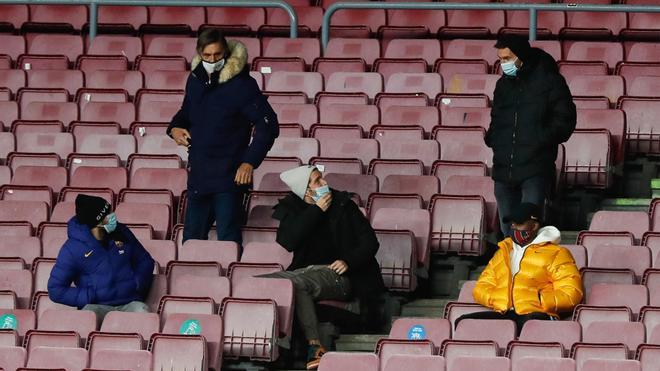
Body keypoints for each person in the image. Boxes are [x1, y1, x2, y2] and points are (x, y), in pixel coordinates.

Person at [265, 165, 385, 370]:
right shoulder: (294, 207)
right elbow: (288, 240)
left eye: (322, 178)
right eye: (317, 181)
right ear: (306, 191)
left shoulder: (342, 203)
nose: (324, 183)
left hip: (343, 275)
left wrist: (348, 261)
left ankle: (315, 346)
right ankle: (273, 344)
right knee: (261, 282)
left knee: (295, 283)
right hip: (306, 271)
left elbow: (370, 242)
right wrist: (316, 210)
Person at [167, 28, 279, 243]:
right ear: (199, 53)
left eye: (217, 55)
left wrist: (249, 163)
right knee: (191, 241)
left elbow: (268, 124)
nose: (212, 60)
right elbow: (186, 113)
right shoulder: (195, 81)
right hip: (199, 175)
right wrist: (174, 129)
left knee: (228, 239)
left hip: (229, 178)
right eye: (207, 56)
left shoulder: (242, 85)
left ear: (226, 53)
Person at [486, 34, 576, 237]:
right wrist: (494, 138)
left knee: (528, 227)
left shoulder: (549, 81)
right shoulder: (503, 85)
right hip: (503, 168)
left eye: (507, 58)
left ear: (520, 56)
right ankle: (511, 268)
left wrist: (540, 139)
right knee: (507, 230)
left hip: (535, 167)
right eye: (501, 59)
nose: (503, 63)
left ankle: (531, 266)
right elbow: (496, 117)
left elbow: (565, 119)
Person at [456, 202, 583, 333]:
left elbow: (571, 293)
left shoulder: (557, 253)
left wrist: (539, 299)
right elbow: (481, 287)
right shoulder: (503, 252)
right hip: (506, 313)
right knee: (464, 323)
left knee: (527, 324)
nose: (513, 227)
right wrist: (501, 298)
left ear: (534, 225)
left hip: (537, 314)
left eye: (519, 223)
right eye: (512, 223)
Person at [48, 195, 155, 327]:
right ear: (95, 223)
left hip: (129, 303)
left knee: (144, 313)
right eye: (107, 215)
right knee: (86, 319)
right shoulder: (72, 249)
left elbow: (145, 261)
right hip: (96, 307)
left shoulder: (122, 232)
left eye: (110, 211)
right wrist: (88, 295)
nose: (112, 216)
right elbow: (55, 289)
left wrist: (137, 283)